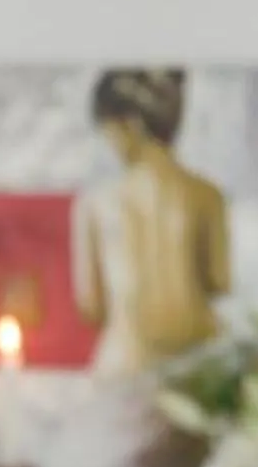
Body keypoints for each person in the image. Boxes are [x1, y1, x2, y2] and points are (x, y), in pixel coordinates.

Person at [71, 67, 231, 377]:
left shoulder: (95, 203)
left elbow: (90, 303)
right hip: (197, 367)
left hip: (125, 363)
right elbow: (219, 282)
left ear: (129, 124)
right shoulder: (208, 195)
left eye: (107, 130)